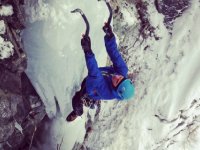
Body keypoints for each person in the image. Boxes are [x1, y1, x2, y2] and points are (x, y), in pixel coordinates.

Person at [66, 23, 135, 122]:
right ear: (124, 78)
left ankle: (77, 112)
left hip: (91, 88)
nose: (116, 77)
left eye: (116, 82)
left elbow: (95, 74)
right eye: (120, 78)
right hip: (98, 80)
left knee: (77, 100)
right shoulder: (122, 71)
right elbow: (114, 54)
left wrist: (88, 51)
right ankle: (92, 103)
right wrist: (110, 36)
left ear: (115, 88)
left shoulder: (106, 91)